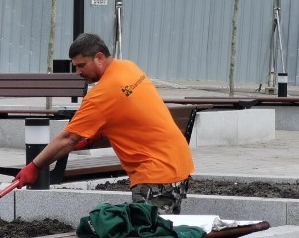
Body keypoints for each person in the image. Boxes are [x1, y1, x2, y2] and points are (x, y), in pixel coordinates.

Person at [14, 33, 195, 214]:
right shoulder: (129, 67)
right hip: (179, 162)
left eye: (81, 65)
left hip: (155, 174)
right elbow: (129, 113)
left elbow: (68, 138)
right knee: (169, 233)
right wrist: (97, 134)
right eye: (75, 67)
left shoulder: (101, 94)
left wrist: (34, 167)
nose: (78, 72)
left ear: (99, 57)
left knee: (153, 235)